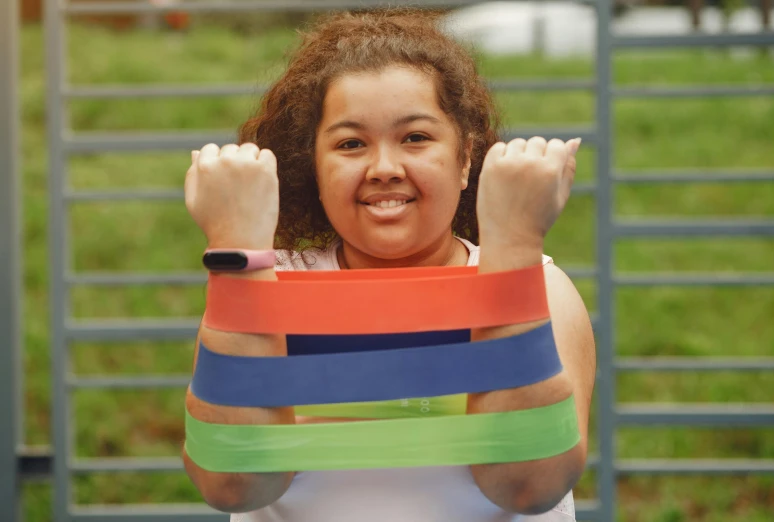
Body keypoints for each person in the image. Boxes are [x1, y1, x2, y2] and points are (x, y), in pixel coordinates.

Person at [182, 8, 596, 522]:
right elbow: (234, 482)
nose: (384, 168)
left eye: (415, 138)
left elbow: (528, 485)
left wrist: (513, 247)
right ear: (314, 166)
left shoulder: (544, 290)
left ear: (466, 159)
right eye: (351, 144)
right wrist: (236, 246)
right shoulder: (265, 284)